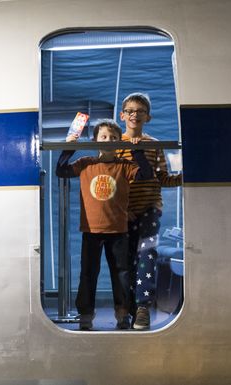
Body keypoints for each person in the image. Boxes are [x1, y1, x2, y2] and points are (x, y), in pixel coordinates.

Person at [56, 119, 154, 330]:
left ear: (120, 142)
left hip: (118, 231)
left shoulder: (125, 166)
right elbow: (61, 171)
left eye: (113, 137)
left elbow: (147, 174)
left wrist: (137, 151)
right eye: (103, 137)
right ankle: (86, 315)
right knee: (88, 274)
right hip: (91, 230)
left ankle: (123, 314)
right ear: (95, 140)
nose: (108, 140)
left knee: (121, 275)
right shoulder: (86, 163)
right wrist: (69, 147)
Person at [115, 92, 182, 330]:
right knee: (125, 260)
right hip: (123, 213)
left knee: (147, 255)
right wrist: (121, 209)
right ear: (122, 115)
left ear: (148, 117)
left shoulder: (154, 146)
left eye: (140, 111)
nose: (135, 115)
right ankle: (127, 309)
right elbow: (110, 181)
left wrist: (184, 178)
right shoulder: (114, 145)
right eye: (131, 111)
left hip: (150, 209)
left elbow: (162, 177)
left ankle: (143, 308)